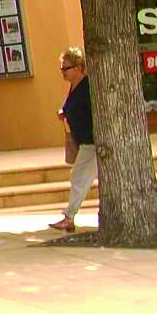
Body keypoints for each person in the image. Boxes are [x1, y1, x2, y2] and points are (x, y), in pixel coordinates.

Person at [52, 48, 96, 232]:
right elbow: (71, 105)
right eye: (61, 68)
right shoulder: (74, 85)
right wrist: (64, 112)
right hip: (84, 140)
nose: (63, 72)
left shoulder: (87, 86)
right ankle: (69, 216)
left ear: (78, 67)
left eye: (66, 68)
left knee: (78, 175)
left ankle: (69, 217)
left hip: (91, 141)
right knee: (81, 175)